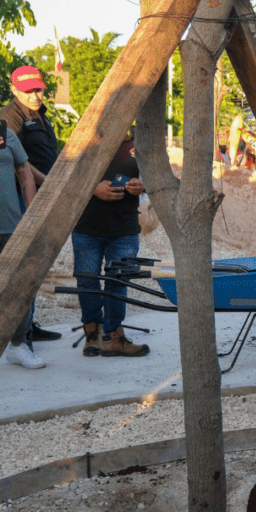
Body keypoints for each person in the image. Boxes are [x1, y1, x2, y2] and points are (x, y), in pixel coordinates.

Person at [0, 66, 62, 342]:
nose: (35, 95)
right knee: (19, 270)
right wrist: (47, 181)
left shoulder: (39, 114)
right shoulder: (6, 119)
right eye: (28, 91)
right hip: (21, 203)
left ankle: (27, 326)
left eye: (38, 89)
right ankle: (17, 333)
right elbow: (20, 165)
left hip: (40, 197)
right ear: (14, 91)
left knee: (31, 267)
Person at [73, 127, 150, 357]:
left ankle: (114, 336)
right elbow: (68, 175)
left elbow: (156, 175)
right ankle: (92, 335)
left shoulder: (143, 138)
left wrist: (142, 185)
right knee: (87, 281)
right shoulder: (89, 136)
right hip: (88, 227)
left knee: (118, 281)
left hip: (124, 229)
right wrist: (92, 187)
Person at [0, 124, 43, 368]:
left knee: (20, 285)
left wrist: (31, 216)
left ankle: (18, 345)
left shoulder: (4, 134)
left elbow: (24, 172)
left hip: (11, 226)